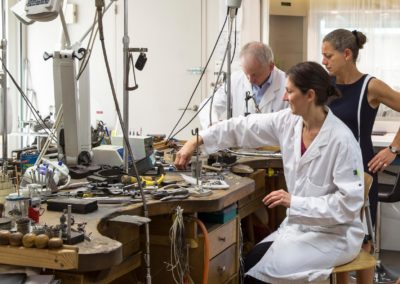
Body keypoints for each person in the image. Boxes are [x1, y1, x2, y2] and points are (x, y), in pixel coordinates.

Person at [176, 61, 365, 283]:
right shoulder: (289, 122)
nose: (285, 98)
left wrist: (294, 202)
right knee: (249, 262)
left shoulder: (341, 140)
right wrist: (198, 140)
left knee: (257, 278)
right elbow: (242, 127)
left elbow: (348, 205)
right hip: (298, 226)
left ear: (310, 95)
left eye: (290, 91)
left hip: (334, 235)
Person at [322, 29, 400, 226]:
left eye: (328, 56)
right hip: (327, 168)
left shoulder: (371, 86)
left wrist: (393, 149)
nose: (324, 61)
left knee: (361, 236)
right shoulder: (325, 85)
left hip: (359, 172)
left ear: (347, 54)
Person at [198, 41, 287, 129]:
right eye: (246, 74)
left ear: (270, 67)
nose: (250, 80)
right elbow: (208, 105)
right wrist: (212, 124)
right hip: (242, 143)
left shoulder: (286, 84)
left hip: (275, 143)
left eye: (255, 75)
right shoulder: (236, 79)